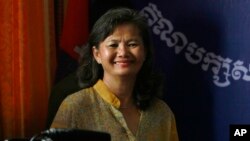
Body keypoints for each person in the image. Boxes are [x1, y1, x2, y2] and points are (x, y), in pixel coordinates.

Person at [50, 7, 179, 141]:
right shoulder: (75, 106)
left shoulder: (162, 113)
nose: (123, 52)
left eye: (132, 44)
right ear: (97, 54)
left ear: (145, 52)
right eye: (113, 45)